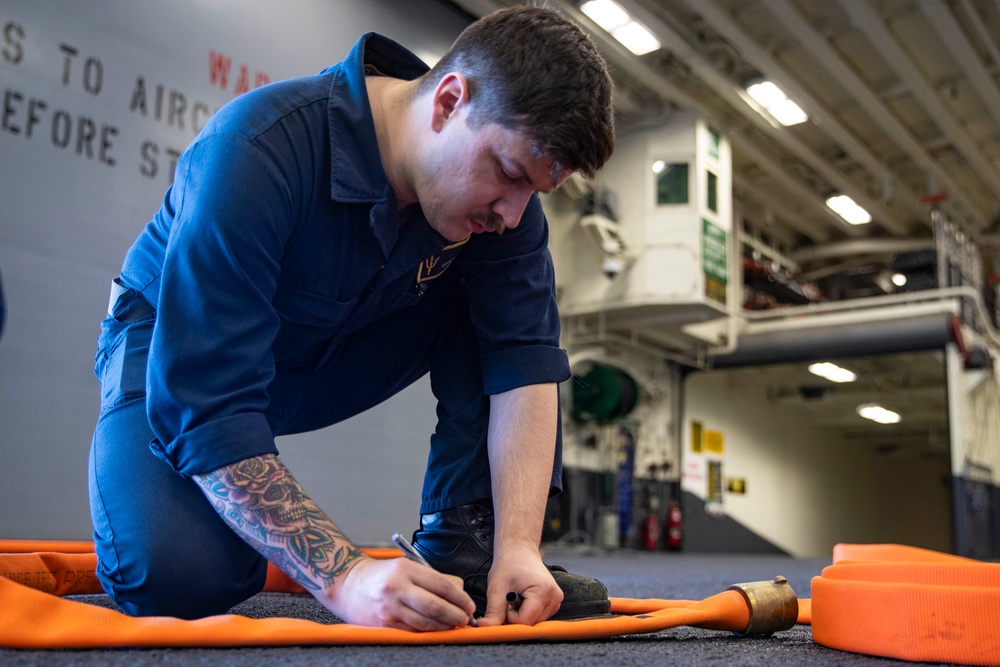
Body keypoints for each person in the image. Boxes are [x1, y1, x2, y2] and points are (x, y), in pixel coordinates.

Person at [88, 5, 615, 631]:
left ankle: (471, 545)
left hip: (330, 349)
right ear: (448, 101)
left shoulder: (504, 213)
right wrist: (345, 577)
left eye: (534, 191)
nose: (512, 210)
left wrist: (520, 546)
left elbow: (524, 364)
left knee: (494, 305)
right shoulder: (256, 149)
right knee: (180, 575)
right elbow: (207, 401)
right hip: (177, 357)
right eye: (506, 174)